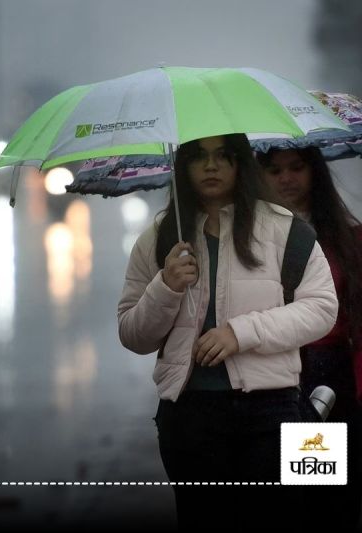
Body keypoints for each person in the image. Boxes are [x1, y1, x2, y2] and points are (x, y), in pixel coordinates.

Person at [117, 134, 338, 531]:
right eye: (199, 157)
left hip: (272, 412)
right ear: (182, 167)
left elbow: (321, 308)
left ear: (240, 163)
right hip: (189, 416)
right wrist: (165, 286)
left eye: (223, 155)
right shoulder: (159, 238)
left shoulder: (284, 230)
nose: (212, 166)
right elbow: (134, 335)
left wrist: (241, 332)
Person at [258, 146, 362, 530]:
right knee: (282, 503)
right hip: (269, 380)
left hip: (324, 380)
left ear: (314, 172)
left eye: (297, 168)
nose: (286, 178)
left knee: (323, 497)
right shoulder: (248, 241)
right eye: (275, 170)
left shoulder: (345, 240)